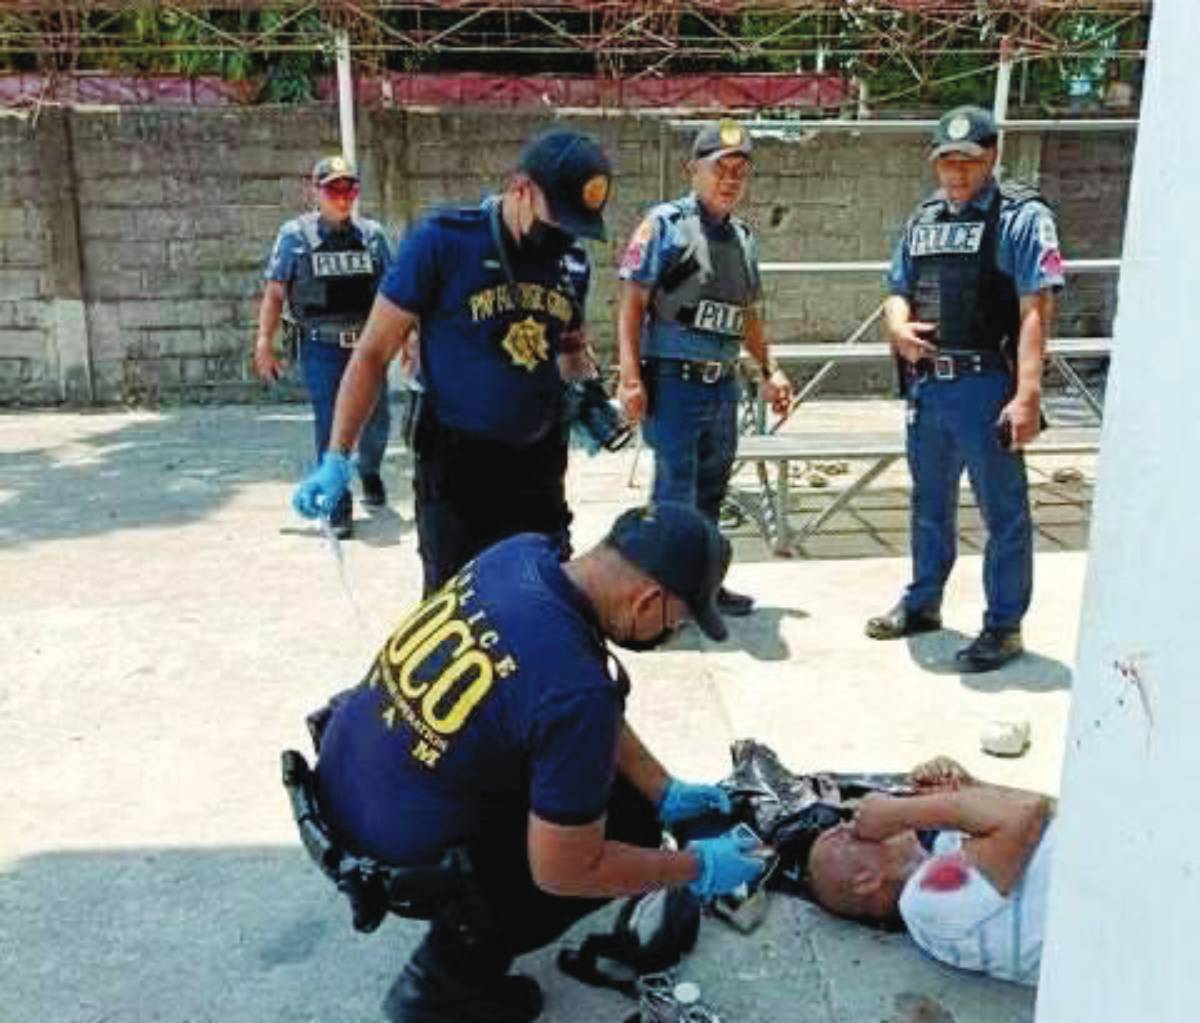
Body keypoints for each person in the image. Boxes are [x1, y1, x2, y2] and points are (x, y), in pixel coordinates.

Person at [310, 501, 767, 1022]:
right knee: (625, 838)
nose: (675, 634)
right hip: (391, 854)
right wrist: (695, 868)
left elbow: (560, 698)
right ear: (647, 601)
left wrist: (663, 788)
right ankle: (439, 988)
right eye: (680, 621)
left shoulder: (520, 556)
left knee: (635, 803)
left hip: (343, 777)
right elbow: (566, 870)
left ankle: (459, 939)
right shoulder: (575, 693)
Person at [292, 128, 610, 595]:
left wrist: (589, 396)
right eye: (556, 220)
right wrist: (337, 454)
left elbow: (569, 348)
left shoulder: (570, 264)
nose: (561, 235)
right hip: (459, 468)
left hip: (540, 466)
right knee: (454, 609)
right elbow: (373, 351)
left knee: (542, 603)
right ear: (521, 188)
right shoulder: (444, 244)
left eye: (573, 226)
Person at [866, 105, 1065, 672]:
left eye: (968, 161)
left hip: (985, 386)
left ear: (993, 157)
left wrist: (1027, 394)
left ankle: (1003, 626)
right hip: (928, 387)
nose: (956, 173)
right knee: (928, 504)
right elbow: (896, 287)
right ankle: (923, 601)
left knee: (1003, 513)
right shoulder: (923, 216)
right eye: (946, 161)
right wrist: (897, 325)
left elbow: (1036, 307)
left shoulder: (1021, 216)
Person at [616, 119, 794, 619]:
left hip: (722, 388)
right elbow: (631, 304)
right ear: (692, 169)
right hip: (673, 384)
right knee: (674, 497)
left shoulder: (742, 237)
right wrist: (630, 378)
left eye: (740, 170)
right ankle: (659, 598)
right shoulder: (664, 226)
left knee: (713, 493)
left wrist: (770, 370)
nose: (731, 179)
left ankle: (703, 587)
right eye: (721, 168)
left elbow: (748, 315)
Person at [806, 756, 1054, 986]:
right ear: (866, 880)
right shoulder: (924, 906)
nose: (856, 822)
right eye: (846, 835)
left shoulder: (942, 849)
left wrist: (968, 790)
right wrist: (903, 813)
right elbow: (1027, 813)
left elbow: (1042, 809)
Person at [255, 155, 393, 539]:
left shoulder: (373, 236)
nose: (343, 196)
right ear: (314, 192)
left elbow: (395, 296)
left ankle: (369, 469)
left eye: (349, 187)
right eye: (334, 188)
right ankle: (338, 500)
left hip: (367, 346)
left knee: (377, 420)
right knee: (329, 421)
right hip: (321, 347)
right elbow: (274, 294)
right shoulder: (294, 237)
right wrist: (264, 343)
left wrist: (411, 340)